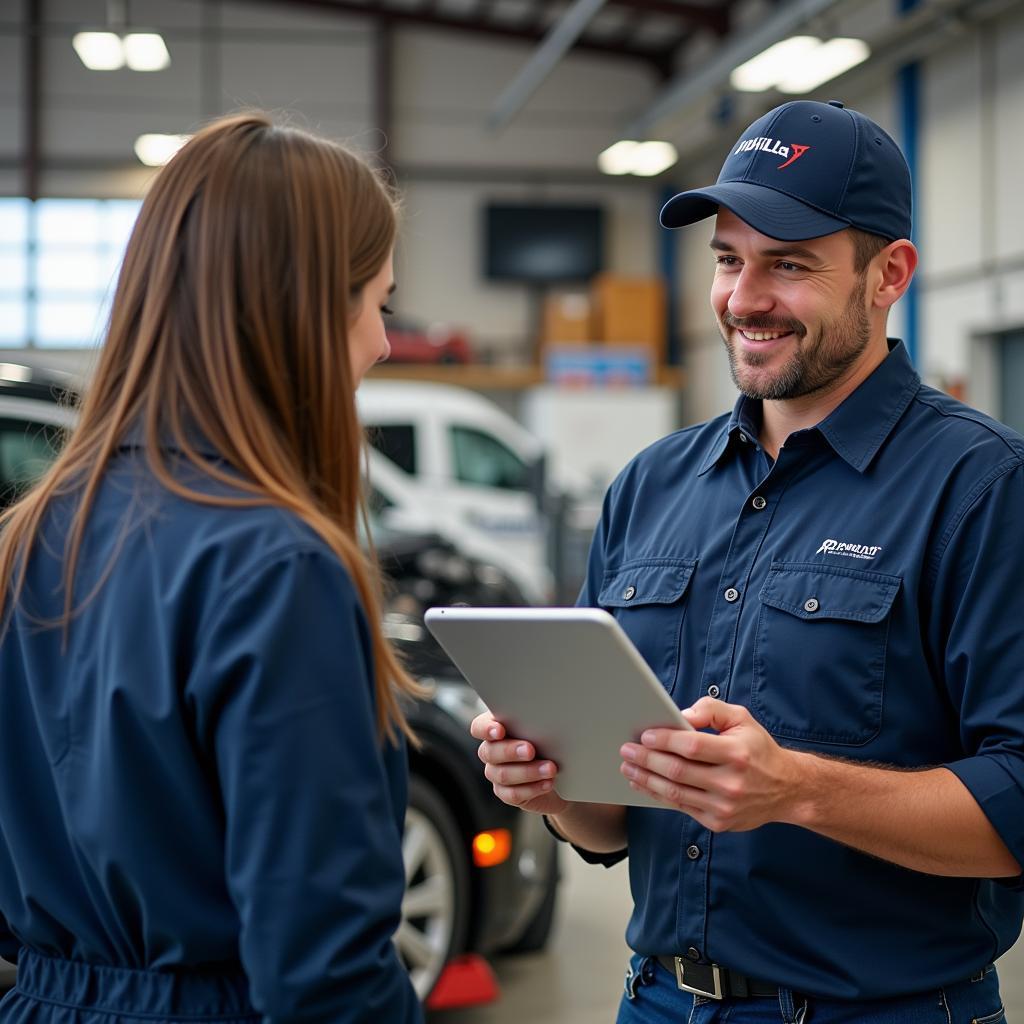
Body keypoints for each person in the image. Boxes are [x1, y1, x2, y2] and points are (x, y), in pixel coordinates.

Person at [472, 98, 1024, 1022]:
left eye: (790, 265)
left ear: (890, 274)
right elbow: (609, 827)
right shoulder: (650, 486)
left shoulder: (981, 487)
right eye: (729, 260)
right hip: (657, 1002)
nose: (743, 298)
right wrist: (552, 786)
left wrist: (799, 791)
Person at [0, 113, 424, 1024]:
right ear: (307, 309)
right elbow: (325, 975)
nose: (382, 345)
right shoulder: (279, 569)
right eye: (376, 305)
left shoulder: (29, 539)